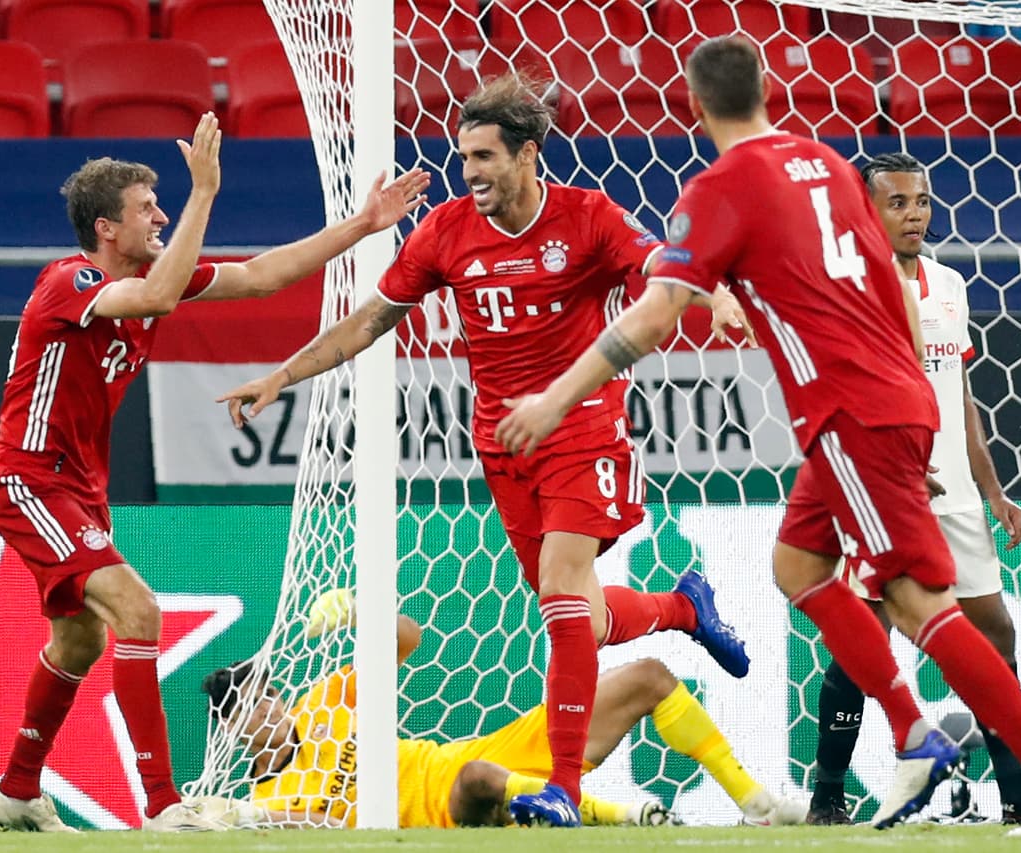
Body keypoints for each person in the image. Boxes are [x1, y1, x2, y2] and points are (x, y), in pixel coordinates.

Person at [493, 36, 1021, 835]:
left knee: (917, 602)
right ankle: (915, 729)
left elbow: (655, 313)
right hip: (891, 399)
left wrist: (553, 397)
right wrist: (916, 406)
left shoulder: (719, 188)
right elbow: (894, 280)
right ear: (769, 90)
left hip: (853, 410)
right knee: (797, 564)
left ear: (693, 102)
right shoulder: (827, 161)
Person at [217, 73, 755, 828]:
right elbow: (370, 320)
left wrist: (717, 295)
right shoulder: (444, 231)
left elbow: (665, 271)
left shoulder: (587, 217)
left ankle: (562, 790)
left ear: (528, 154)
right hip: (505, 441)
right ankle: (681, 607)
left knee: (565, 593)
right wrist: (282, 375)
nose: (468, 173)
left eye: (483, 157)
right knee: (578, 613)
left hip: (581, 422)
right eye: (462, 157)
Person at [0, 111, 431, 833]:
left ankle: (16, 788)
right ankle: (162, 804)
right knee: (140, 612)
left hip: (81, 490)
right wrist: (204, 193)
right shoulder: (74, 279)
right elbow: (156, 294)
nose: (159, 216)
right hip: (31, 479)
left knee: (79, 642)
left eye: (164, 204)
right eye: (145, 209)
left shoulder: (149, 279)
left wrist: (362, 225)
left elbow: (258, 276)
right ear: (104, 228)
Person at [804, 152, 1021, 826]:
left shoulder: (949, 284)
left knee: (995, 633)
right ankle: (826, 799)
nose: (915, 214)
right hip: (883, 489)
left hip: (955, 495)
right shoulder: (845, 287)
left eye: (922, 201)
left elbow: (958, 394)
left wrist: (992, 490)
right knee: (865, 639)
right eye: (898, 201)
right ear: (865, 209)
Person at [200, 608, 805, 829]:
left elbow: (408, 638)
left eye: (269, 692)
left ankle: (755, 805)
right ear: (232, 729)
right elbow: (303, 827)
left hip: (481, 749)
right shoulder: (271, 796)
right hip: (451, 807)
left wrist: (360, 612)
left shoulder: (323, 706)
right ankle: (624, 818)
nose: (271, 707)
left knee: (648, 676)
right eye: (254, 703)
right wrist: (245, 815)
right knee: (478, 780)